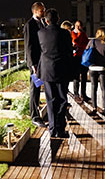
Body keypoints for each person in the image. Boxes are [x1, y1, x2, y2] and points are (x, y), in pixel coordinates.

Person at [37, 8, 72, 138]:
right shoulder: (65, 33)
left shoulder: (40, 33)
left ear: (46, 21)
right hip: (62, 69)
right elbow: (69, 50)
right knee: (62, 99)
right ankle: (61, 129)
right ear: (58, 19)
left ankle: (52, 129)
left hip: (47, 70)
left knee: (50, 100)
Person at [24, 2, 47, 128]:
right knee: (35, 88)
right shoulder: (29, 25)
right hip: (35, 63)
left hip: (43, 60)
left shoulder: (42, 23)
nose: (44, 12)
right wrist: (32, 64)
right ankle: (34, 116)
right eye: (42, 10)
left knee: (40, 87)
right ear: (35, 11)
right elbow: (28, 46)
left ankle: (38, 113)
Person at [87, 27, 105, 115]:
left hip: (92, 67)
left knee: (93, 87)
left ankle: (94, 108)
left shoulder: (92, 41)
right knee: (103, 87)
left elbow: (86, 51)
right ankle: (104, 108)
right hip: (103, 67)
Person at [71, 20, 89, 103]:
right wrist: (79, 34)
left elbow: (86, 43)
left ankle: (83, 94)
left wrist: (81, 46)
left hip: (83, 57)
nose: (78, 27)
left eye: (79, 26)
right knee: (76, 77)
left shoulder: (83, 34)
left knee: (84, 76)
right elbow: (75, 41)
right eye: (76, 25)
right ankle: (76, 94)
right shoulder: (73, 33)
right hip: (76, 57)